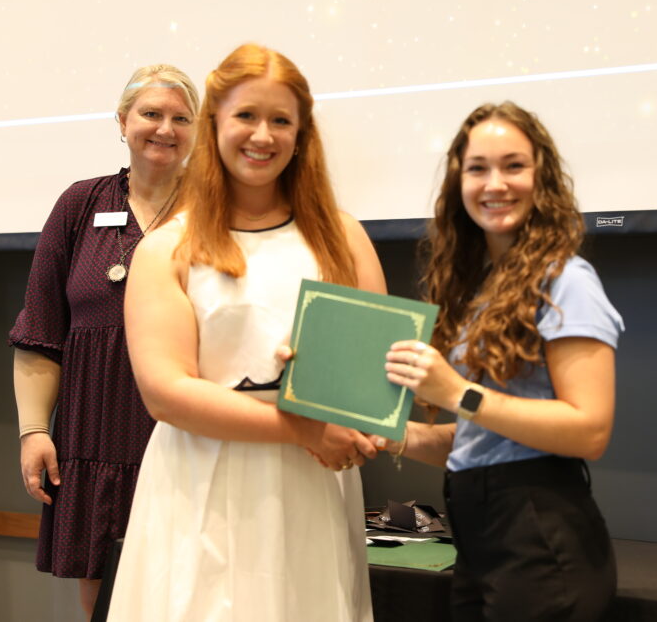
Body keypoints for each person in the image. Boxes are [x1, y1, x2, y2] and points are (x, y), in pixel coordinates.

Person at [106, 43, 385, 621]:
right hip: (200, 487)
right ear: (214, 126)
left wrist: (354, 413)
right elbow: (166, 393)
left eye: (281, 120)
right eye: (246, 116)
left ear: (302, 134)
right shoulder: (166, 249)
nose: (263, 135)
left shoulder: (343, 237)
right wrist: (303, 427)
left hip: (309, 492)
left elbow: (374, 375)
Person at [383, 102, 624, 621]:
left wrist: (455, 392)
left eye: (514, 166)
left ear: (543, 178)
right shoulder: (482, 290)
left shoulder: (568, 281)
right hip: (480, 542)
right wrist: (391, 436)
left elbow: (589, 431)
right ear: (458, 182)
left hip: (540, 544)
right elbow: (484, 440)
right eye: (478, 169)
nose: (496, 183)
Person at [10, 64, 200, 616]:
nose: (164, 128)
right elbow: (41, 330)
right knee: (104, 603)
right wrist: (32, 432)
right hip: (92, 438)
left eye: (180, 118)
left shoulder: (216, 210)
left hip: (185, 435)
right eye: (151, 114)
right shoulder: (79, 205)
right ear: (122, 121)